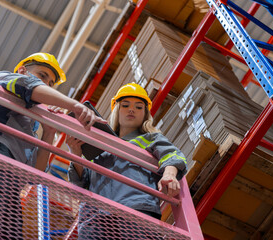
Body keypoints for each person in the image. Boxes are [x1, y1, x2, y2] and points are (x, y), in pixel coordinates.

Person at [0, 52, 106, 239]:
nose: (46, 84)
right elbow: (29, 87)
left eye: (51, 83)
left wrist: (49, 130)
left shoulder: (31, 124)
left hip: (10, 181)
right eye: (42, 76)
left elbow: (36, 172)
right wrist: (75, 106)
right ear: (22, 70)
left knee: (8, 234)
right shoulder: (4, 79)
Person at [67, 82, 187, 239]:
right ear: (116, 110)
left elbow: (172, 154)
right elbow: (80, 183)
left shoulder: (150, 139)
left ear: (145, 114)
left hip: (135, 209)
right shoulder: (98, 145)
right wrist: (75, 154)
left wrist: (169, 174)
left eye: (139, 107)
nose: (132, 109)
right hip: (95, 216)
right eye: (125, 105)